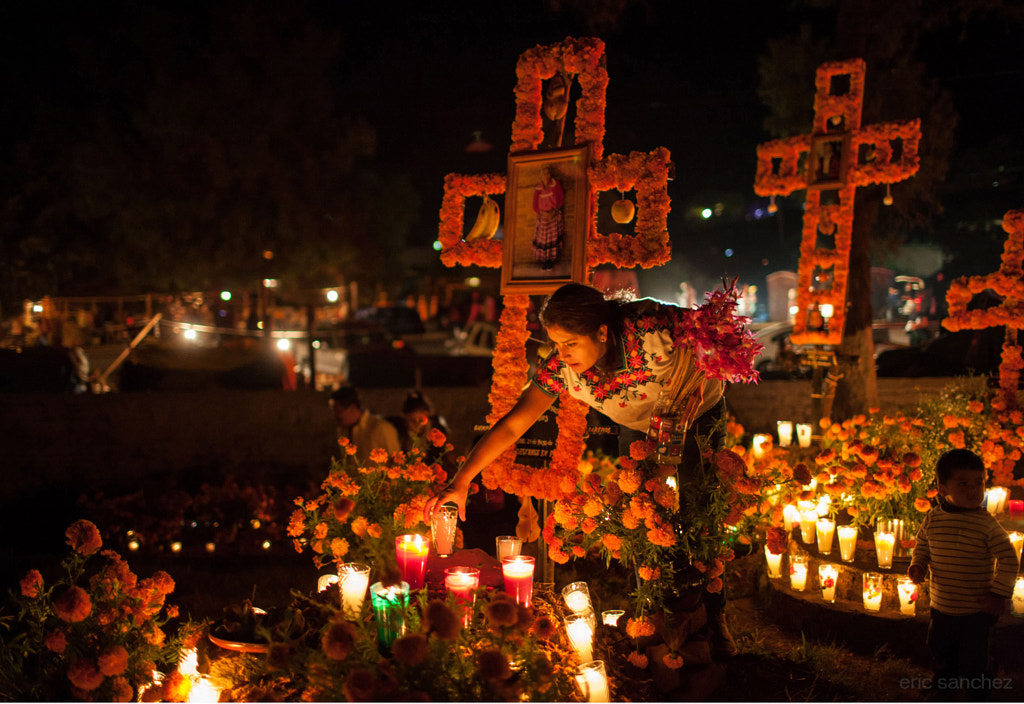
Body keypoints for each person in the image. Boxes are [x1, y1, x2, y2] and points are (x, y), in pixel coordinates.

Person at [425, 282, 736, 655]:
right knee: (640, 517)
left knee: (700, 510)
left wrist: (701, 380)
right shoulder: (562, 370)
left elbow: (712, 334)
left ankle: (713, 616)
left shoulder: (653, 327)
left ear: (602, 332)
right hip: (640, 427)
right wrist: (461, 481)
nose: (562, 353)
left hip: (697, 414)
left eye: (570, 343)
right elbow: (512, 424)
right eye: (556, 343)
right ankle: (653, 611)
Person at [908, 449, 1019, 701]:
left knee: (974, 657)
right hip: (942, 605)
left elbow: (1009, 558)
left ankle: (977, 690)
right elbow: (923, 544)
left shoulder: (986, 524)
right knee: (941, 650)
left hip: (976, 610)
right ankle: (944, 686)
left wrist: (998, 593)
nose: (973, 490)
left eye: (978, 483)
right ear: (943, 486)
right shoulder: (933, 518)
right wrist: (918, 565)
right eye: (963, 484)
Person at [329, 385, 400, 464]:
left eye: (338, 412)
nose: (335, 416)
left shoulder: (382, 428)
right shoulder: (342, 430)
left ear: (352, 408)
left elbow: (396, 461)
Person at [531, 166, 565, 270]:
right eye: (544, 174)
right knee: (543, 239)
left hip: (554, 216)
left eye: (547, 173)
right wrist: (544, 214)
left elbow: (561, 199)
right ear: (541, 176)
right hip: (543, 217)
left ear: (550, 175)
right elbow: (535, 205)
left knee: (552, 238)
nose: (546, 176)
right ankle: (544, 261)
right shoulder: (539, 188)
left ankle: (551, 260)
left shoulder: (555, 184)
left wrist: (553, 212)